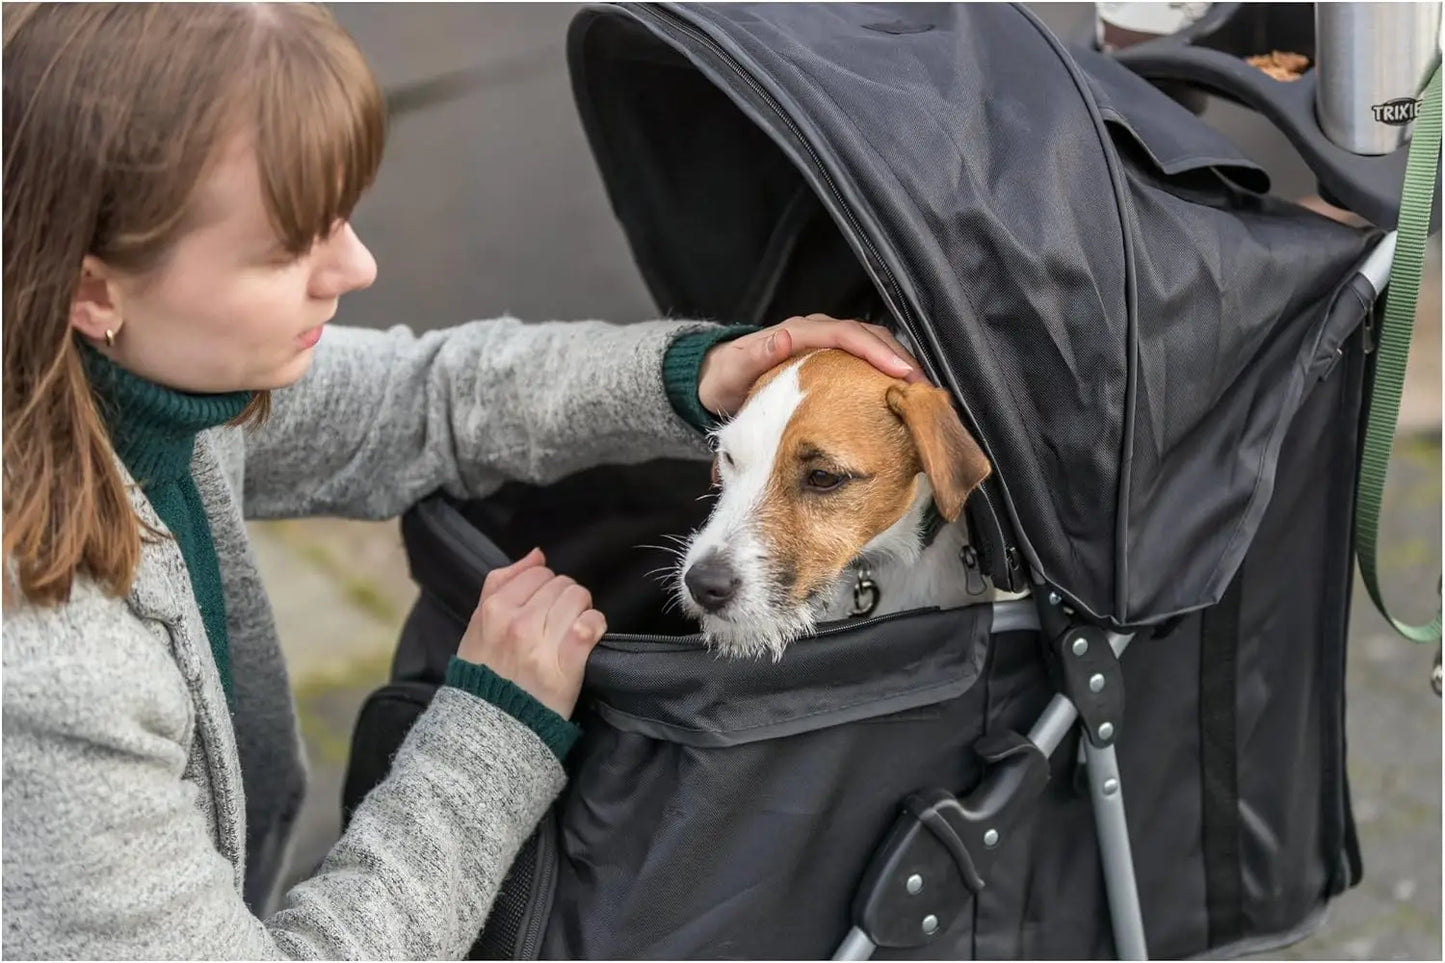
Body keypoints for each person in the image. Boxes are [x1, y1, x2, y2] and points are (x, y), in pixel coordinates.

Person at [1, 3, 921, 958]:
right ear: (94, 288)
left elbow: (426, 399)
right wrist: (495, 722)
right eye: (286, 248)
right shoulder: (52, 671)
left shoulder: (130, 383)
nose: (356, 266)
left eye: (342, 219)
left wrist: (693, 374)